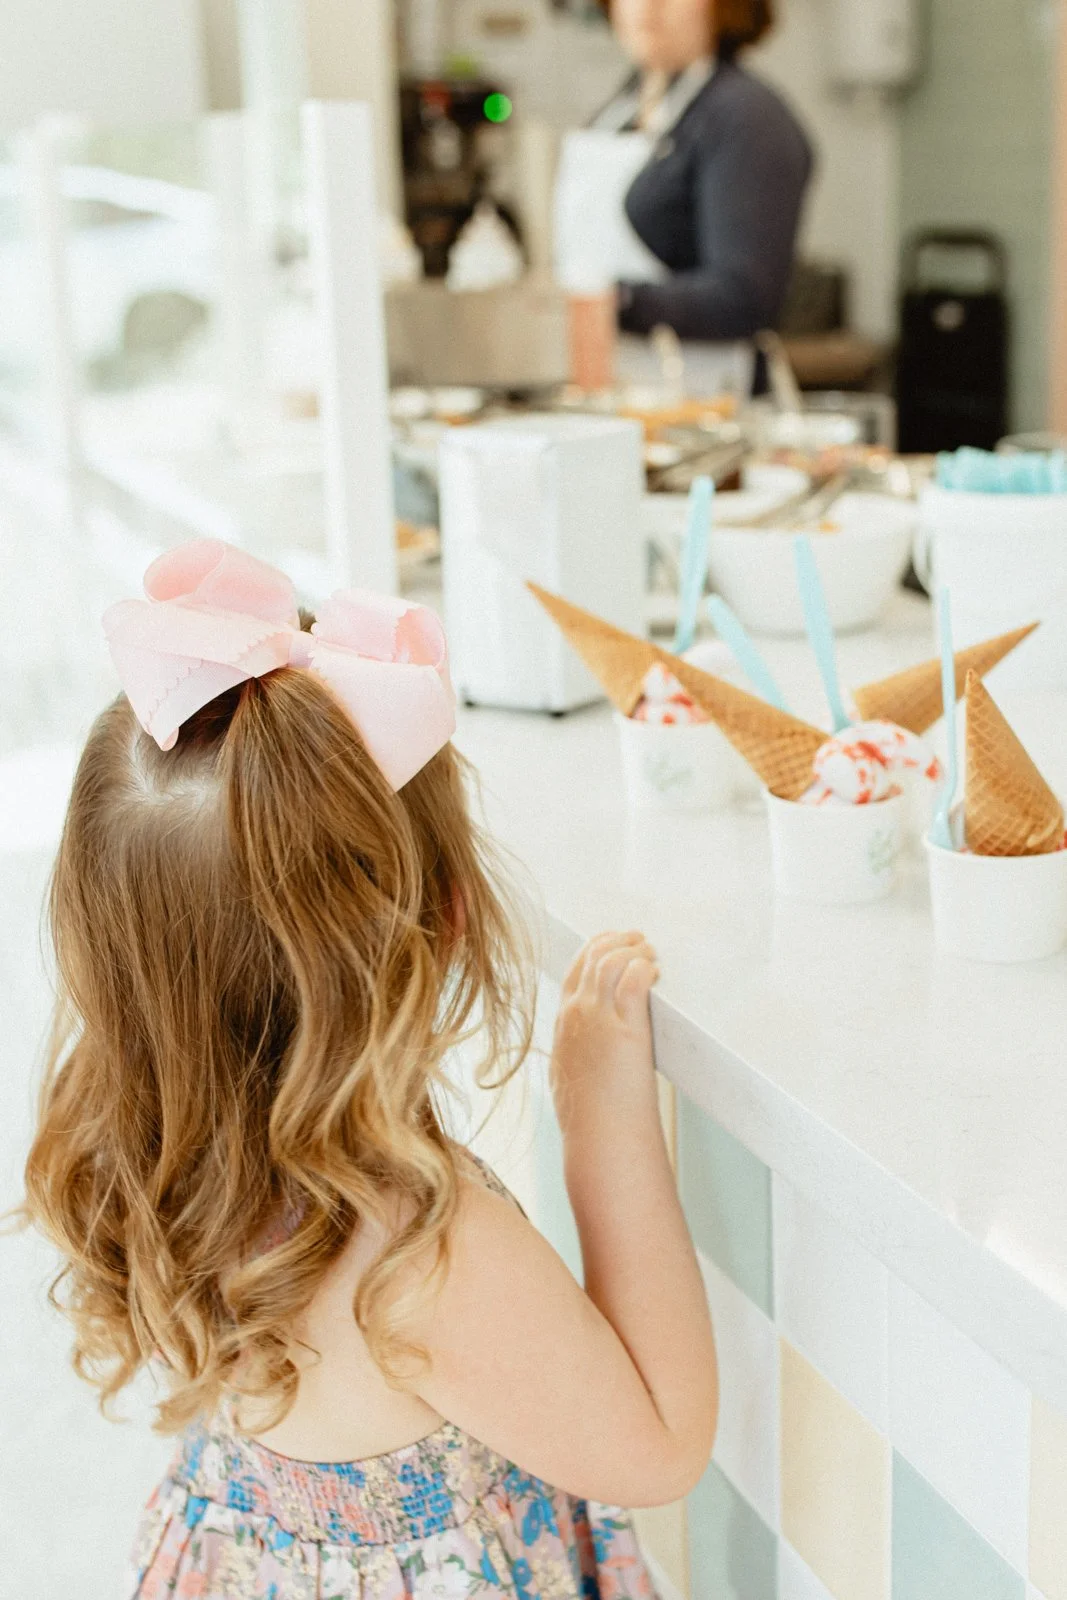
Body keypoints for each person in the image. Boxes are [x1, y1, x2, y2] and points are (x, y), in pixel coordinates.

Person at [22, 538, 718, 1598]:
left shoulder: (156, 1164)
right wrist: (601, 1121)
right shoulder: (420, 1260)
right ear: (444, 919)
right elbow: (661, 1444)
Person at [581, 0, 814, 342]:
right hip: (608, 380)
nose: (648, 6)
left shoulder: (747, 116)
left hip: (706, 385)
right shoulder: (620, 108)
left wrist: (617, 301)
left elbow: (744, 297)